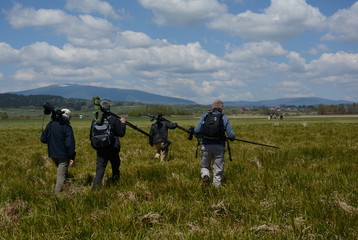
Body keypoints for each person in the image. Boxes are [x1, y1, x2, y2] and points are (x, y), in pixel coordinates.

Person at [194, 99, 235, 187]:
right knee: (218, 168)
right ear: (221, 109)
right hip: (219, 146)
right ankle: (216, 188)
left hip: (205, 146)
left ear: (212, 107)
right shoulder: (224, 118)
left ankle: (206, 175)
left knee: (205, 166)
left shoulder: (205, 115)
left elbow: (196, 130)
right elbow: (231, 135)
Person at [90, 100, 126, 190]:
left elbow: (91, 136)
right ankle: (115, 185)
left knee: (100, 170)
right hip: (113, 147)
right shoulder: (113, 119)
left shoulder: (95, 120)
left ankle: (95, 189)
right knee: (115, 167)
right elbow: (121, 133)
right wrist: (123, 124)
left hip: (101, 149)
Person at [41, 108, 76, 194]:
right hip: (63, 156)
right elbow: (70, 144)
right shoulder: (67, 127)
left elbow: (43, 139)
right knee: (61, 178)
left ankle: (68, 189)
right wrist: (72, 157)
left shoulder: (50, 125)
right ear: (68, 116)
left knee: (64, 173)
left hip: (52, 155)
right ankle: (57, 198)